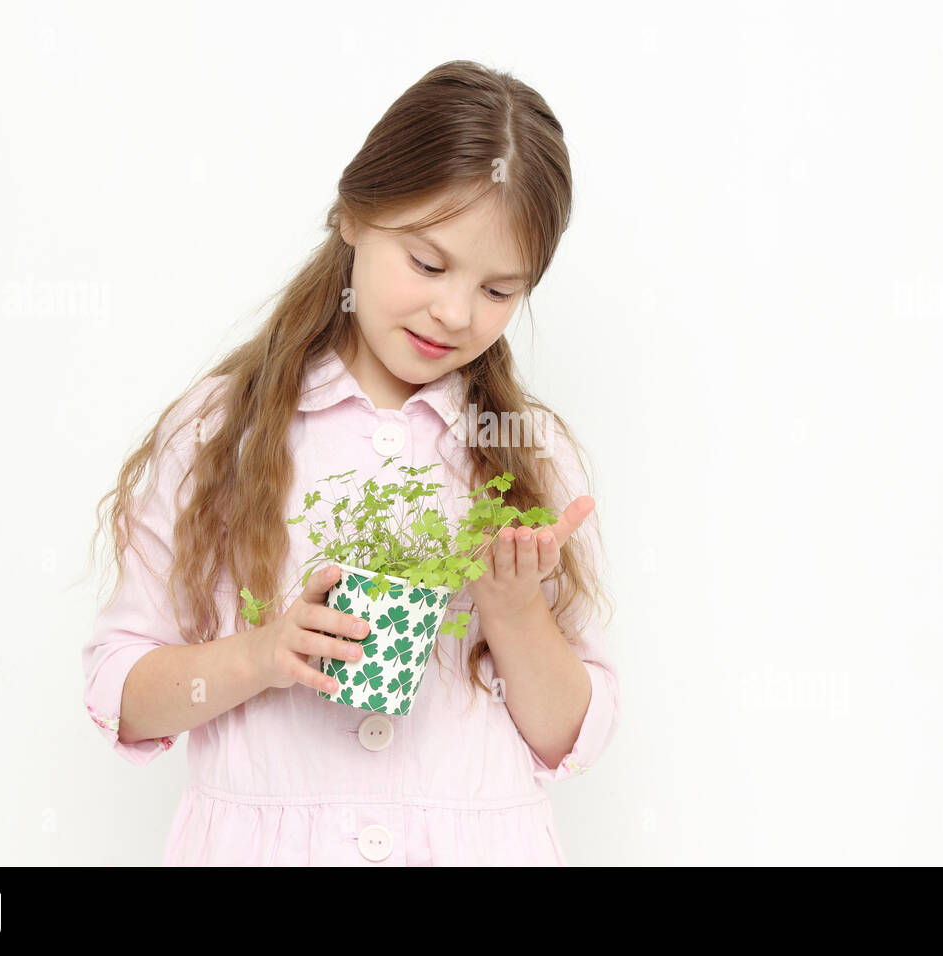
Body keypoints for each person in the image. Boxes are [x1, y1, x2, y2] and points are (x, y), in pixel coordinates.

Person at [82, 59, 621, 865]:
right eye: (429, 264)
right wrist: (262, 656)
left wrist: (513, 611)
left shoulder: (525, 456)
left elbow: (567, 737)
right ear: (354, 215)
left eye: (499, 290)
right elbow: (120, 698)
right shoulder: (218, 432)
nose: (454, 312)